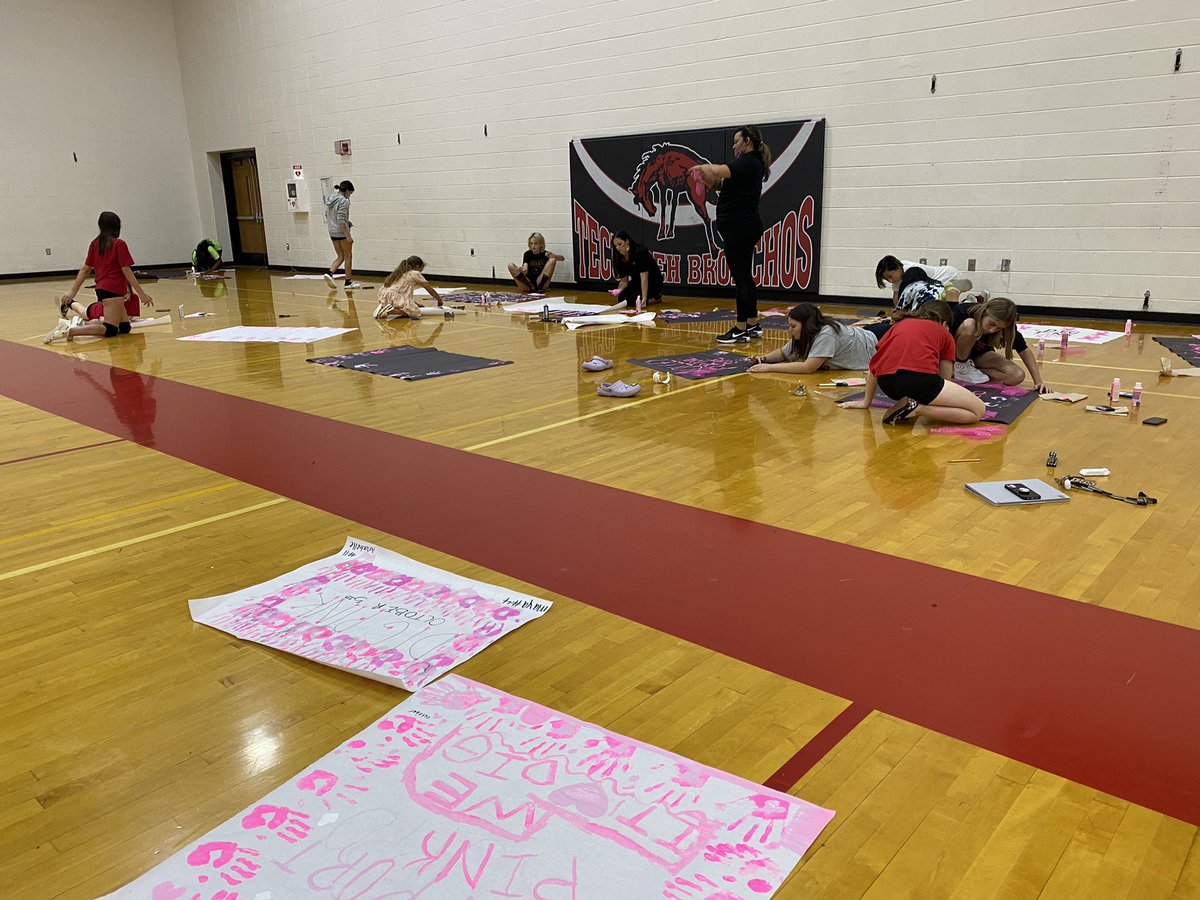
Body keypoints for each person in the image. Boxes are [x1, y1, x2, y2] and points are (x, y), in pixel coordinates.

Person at [839, 301, 985, 425]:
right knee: (977, 411)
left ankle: (909, 404)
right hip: (918, 382)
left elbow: (875, 365)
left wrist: (866, 402)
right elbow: (945, 376)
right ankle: (918, 409)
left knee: (914, 387)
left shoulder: (898, 326)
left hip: (887, 384)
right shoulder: (945, 333)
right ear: (945, 323)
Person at [690, 125, 772, 343]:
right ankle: (753, 323)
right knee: (745, 275)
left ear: (747, 140)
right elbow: (719, 183)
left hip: (740, 227)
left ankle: (740, 327)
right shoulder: (749, 165)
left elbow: (717, 171)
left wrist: (701, 166)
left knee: (741, 278)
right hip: (744, 226)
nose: (734, 145)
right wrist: (704, 178)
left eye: (737, 141)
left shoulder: (748, 162)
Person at [46, 212, 153, 343]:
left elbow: (85, 269)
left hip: (103, 288)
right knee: (110, 329)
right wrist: (141, 294)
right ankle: (71, 330)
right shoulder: (119, 244)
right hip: (113, 289)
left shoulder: (95, 244)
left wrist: (72, 292)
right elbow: (126, 269)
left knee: (124, 327)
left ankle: (77, 327)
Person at [952, 297, 1051, 392]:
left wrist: (1038, 381)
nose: (992, 330)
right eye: (992, 324)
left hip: (978, 355)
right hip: (954, 355)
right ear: (985, 312)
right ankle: (959, 366)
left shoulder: (1006, 329)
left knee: (1017, 375)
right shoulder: (963, 312)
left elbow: (1024, 350)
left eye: (999, 328)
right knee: (970, 325)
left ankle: (967, 372)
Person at [748, 302, 877, 374]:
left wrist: (769, 368)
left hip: (878, 342)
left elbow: (808, 367)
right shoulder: (806, 333)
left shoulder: (827, 334)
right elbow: (783, 353)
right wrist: (763, 359)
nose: (789, 330)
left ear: (806, 325)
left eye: (793, 326)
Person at [876, 255, 973, 306]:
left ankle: (967, 301)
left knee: (944, 302)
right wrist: (898, 311)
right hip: (935, 281)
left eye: (890, 277)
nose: (890, 281)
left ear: (897, 268)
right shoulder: (897, 274)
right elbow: (896, 296)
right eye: (886, 279)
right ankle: (969, 300)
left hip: (947, 275)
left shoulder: (911, 271)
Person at [374, 255, 446, 319]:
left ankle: (384, 308)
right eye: (421, 269)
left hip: (386, 294)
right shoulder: (415, 273)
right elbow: (430, 289)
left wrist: (416, 304)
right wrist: (439, 299)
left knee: (409, 308)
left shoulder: (400, 272)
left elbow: (403, 294)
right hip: (395, 296)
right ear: (417, 266)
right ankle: (390, 311)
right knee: (414, 312)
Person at [609, 231, 664, 310]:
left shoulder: (640, 251)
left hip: (652, 281)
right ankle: (646, 297)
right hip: (637, 281)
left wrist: (644, 299)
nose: (618, 248)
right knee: (622, 299)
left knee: (636, 300)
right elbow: (625, 281)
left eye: (620, 244)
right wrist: (619, 290)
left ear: (627, 241)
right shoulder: (619, 257)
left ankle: (655, 298)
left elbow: (644, 277)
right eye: (616, 246)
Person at [323, 181, 361, 289]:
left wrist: (345, 222)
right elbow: (340, 219)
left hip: (332, 231)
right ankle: (348, 282)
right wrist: (348, 235)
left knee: (340, 256)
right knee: (348, 255)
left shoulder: (331, 198)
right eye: (350, 193)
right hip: (341, 232)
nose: (350, 196)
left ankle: (330, 273)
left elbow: (331, 216)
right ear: (347, 190)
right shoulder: (344, 201)